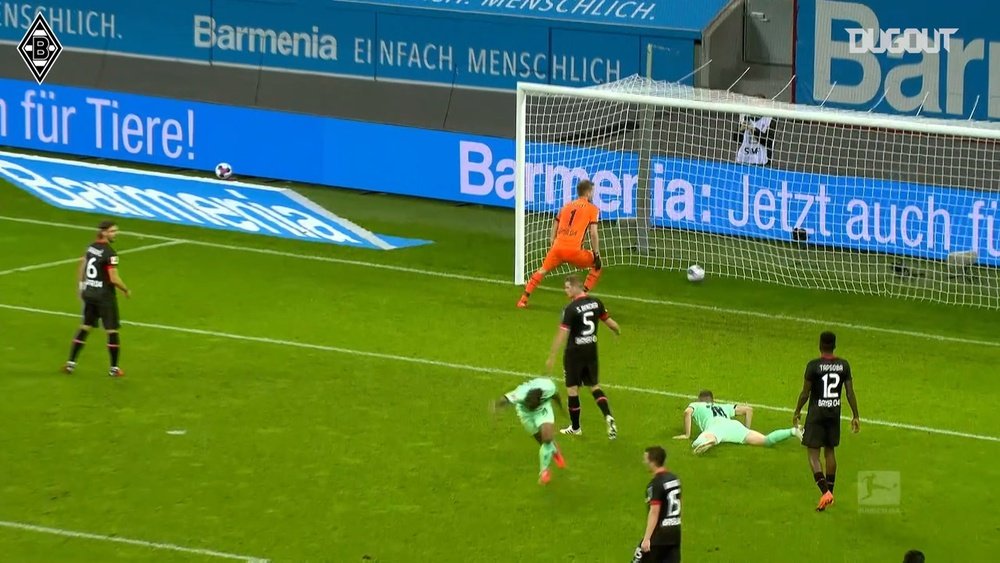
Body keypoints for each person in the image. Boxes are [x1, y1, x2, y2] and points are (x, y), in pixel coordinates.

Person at [545, 275, 620, 439]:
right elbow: (610, 323)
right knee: (594, 386)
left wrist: (552, 356)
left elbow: (562, 334)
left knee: (572, 390)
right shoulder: (596, 303)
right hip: (591, 350)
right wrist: (617, 331)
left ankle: (576, 427)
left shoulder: (570, 309)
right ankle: (608, 416)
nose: (565, 290)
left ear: (574, 287)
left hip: (574, 353)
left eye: (566, 287)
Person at [792, 331, 860, 511]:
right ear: (834, 346)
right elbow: (850, 392)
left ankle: (825, 493)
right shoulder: (843, 365)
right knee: (830, 452)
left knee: (813, 454)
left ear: (820, 345)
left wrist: (797, 410)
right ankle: (830, 492)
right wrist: (855, 415)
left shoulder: (813, 366)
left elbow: (805, 392)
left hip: (816, 414)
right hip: (833, 413)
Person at [517, 180, 602, 308]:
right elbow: (593, 233)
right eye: (592, 192)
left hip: (557, 248)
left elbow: (556, 221)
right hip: (574, 251)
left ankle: (523, 300)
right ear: (589, 192)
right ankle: (579, 298)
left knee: (542, 270)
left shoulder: (566, 206)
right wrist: (596, 254)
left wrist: (552, 240)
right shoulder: (592, 209)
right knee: (597, 266)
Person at [64, 220, 131, 377]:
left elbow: (82, 265)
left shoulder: (91, 247)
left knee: (85, 326)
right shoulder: (110, 254)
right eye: (113, 231)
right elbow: (113, 278)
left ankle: (70, 364)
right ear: (104, 232)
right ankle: (114, 369)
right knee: (112, 330)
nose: (115, 234)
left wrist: (82, 287)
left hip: (90, 293)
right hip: (104, 297)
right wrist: (125, 289)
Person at [673, 390, 801, 454]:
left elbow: (687, 413)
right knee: (766, 440)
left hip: (715, 427)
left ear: (700, 400)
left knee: (696, 443)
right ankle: (793, 431)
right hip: (735, 426)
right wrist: (746, 430)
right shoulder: (723, 406)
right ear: (713, 400)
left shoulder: (697, 405)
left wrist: (687, 434)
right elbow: (748, 410)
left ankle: (710, 441)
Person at [492, 377, 566, 485]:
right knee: (542, 441)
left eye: (532, 406)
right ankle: (554, 451)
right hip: (525, 414)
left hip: (542, 410)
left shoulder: (548, 388)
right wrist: (495, 406)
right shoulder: (519, 394)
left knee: (547, 438)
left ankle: (544, 472)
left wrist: (561, 408)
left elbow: (555, 395)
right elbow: (505, 399)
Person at [632, 446, 681, 563]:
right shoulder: (674, 479)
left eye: (646, 459)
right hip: (674, 533)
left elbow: (654, 512)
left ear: (653, 462)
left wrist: (647, 539)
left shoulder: (655, 484)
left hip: (658, 536)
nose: (644, 462)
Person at [733, 94, 775, 166]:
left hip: (761, 160)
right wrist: (740, 130)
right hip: (744, 159)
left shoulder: (769, 118)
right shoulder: (745, 116)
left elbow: (768, 142)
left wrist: (753, 130)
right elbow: (736, 139)